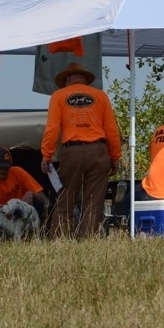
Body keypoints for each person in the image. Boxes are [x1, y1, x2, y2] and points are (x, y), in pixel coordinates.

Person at [40, 62, 122, 238]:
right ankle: (87, 240)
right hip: (98, 151)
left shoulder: (59, 96)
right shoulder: (100, 96)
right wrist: (115, 157)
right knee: (93, 203)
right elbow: (112, 129)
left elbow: (52, 129)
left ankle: (61, 239)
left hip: (72, 152)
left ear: (67, 79)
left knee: (65, 200)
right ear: (85, 79)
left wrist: (46, 155)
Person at [0, 146, 50, 222]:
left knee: (36, 203)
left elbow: (45, 200)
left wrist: (32, 193)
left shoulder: (18, 172)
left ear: (11, 164)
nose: (2, 171)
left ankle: (40, 227)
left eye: (5, 168)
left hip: (16, 218)